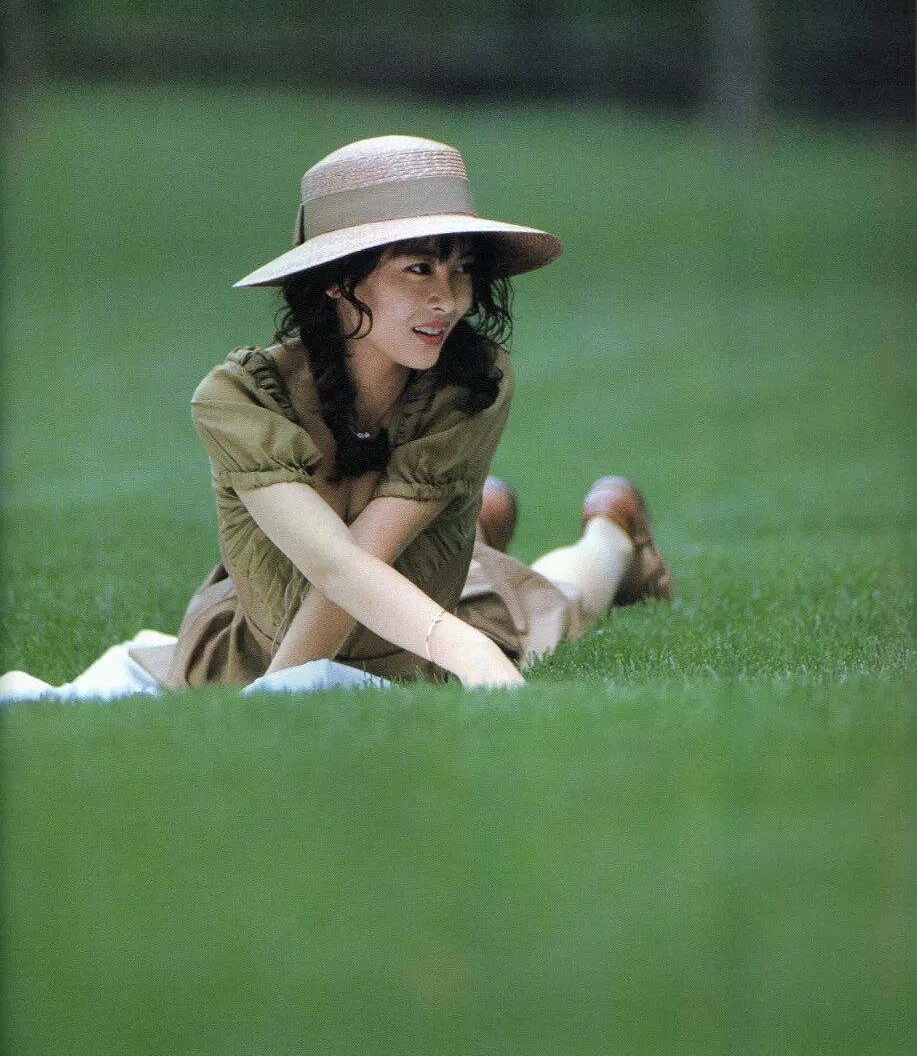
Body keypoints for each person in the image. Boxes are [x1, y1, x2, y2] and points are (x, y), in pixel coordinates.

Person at [0, 135, 671, 702]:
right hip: (267, 644)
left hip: (402, 637)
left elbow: (364, 560)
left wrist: (469, 652)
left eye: (461, 269)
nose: (448, 299)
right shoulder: (238, 398)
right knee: (474, 613)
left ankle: (614, 534)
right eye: (418, 269)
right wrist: (278, 694)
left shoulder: (471, 380)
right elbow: (335, 569)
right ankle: (474, 533)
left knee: (552, 605)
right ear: (335, 278)